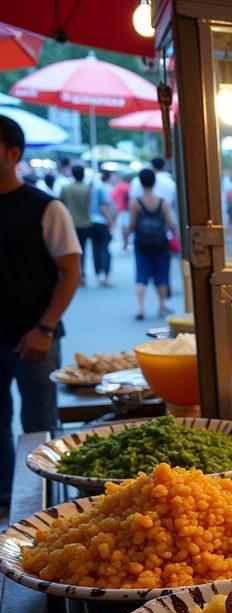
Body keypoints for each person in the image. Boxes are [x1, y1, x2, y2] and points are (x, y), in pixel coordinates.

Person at [0, 115, 82, 514]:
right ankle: (6, 500)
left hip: (34, 337)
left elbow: (71, 272)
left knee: (39, 428)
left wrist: (45, 328)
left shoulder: (45, 207)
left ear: (13, 154)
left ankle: (46, 513)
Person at [127, 167, 174, 320]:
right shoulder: (163, 202)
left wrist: (125, 237)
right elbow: (170, 224)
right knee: (161, 274)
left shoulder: (135, 202)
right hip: (160, 243)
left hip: (141, 243)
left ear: (140, 182)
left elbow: (132, 225)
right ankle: (161, 305)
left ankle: (141, 307)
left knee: (141, 275)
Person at [59, 165, 92, 279]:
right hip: (85, 223)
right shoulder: (88, 188)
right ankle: (81, 272)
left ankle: (74, 273)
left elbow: (61, 205)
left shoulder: (66, 188)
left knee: (71, 251)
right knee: (82, 249)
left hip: (70, 224)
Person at [89, 169, 114, 287]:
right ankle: (106, 275)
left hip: (91, 221)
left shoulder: (91, 187)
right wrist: (111, 222)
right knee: (104, 248)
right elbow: (104, 207)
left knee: (95, 248)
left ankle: (98, 273)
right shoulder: (102, 188)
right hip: (101, 221)